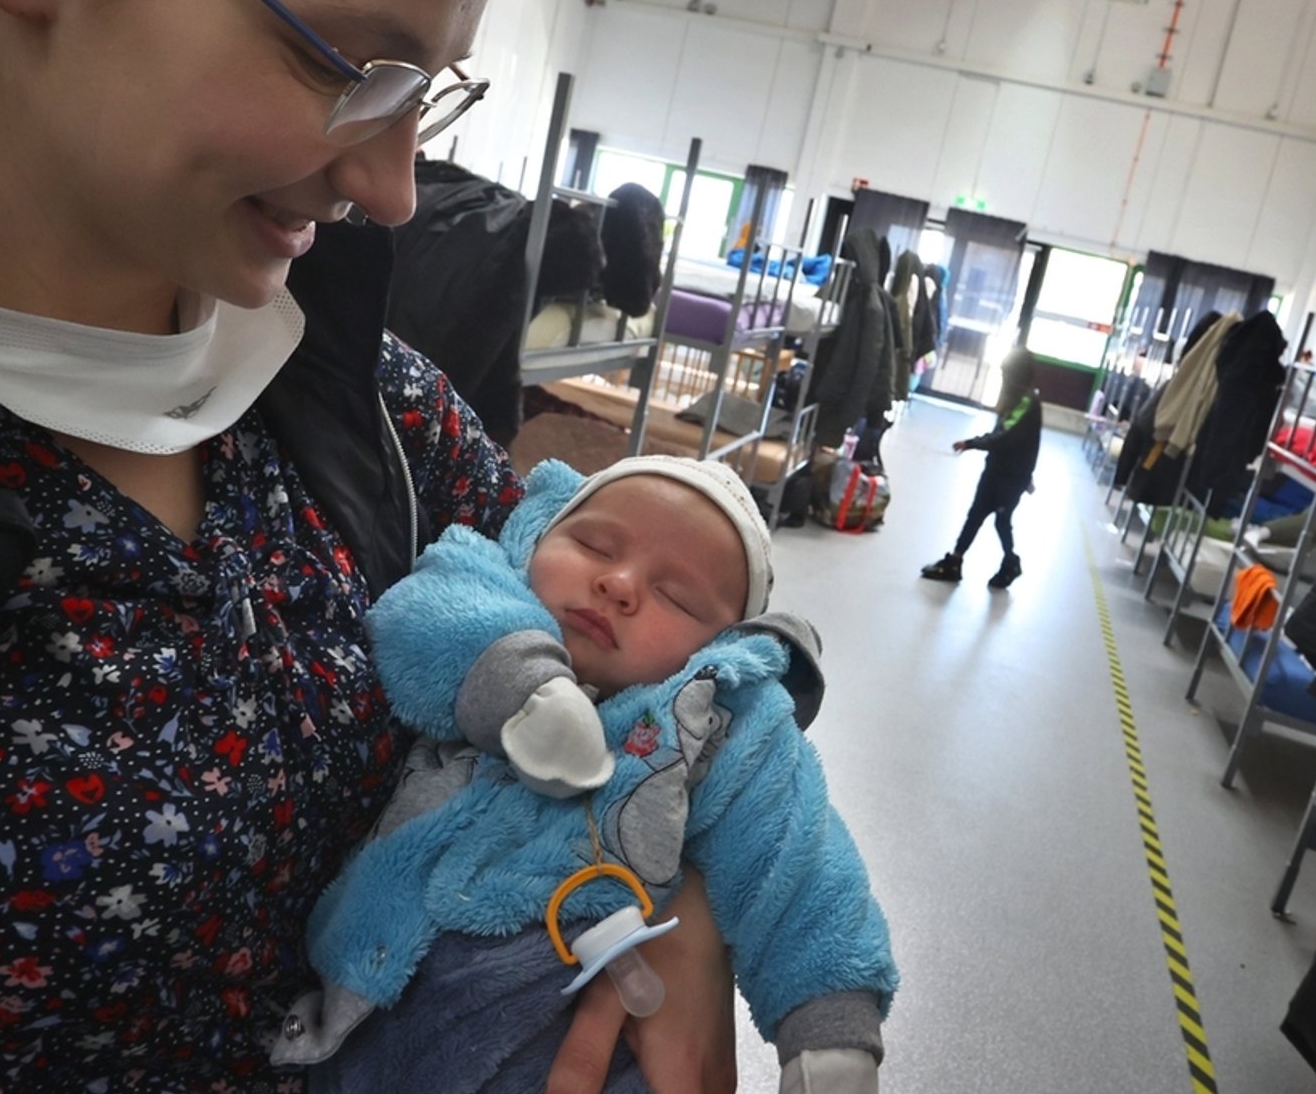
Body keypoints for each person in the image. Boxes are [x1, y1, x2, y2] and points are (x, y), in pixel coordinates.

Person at [0, 0, 736, 1089]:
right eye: (341, 60)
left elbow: (661, 672)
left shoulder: (371, 409)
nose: (394, 188)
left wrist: (684, 887)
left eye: (425, 90)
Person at [275, 456, 897, 1093]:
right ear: (540, 534)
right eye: (594, 544)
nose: (620, 583)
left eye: (675, 596)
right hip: (366, 1019)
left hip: (575, 1037)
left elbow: (799, 865)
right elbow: (423, 616)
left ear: (717, 647)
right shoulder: (490, 587)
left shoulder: (721, 722)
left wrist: (829, 1035)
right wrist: (521, 685)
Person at [921, 349, 1042, 589]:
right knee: (976, 514)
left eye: (1005, 373)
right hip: (998, 472)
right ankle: (955, 561)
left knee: (1001, 520)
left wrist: (972, 443)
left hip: (1009, 477)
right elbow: (1009, 436)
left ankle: (1011, 562)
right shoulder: (1018, 399)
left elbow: (1006, 437)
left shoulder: (1027, 401)